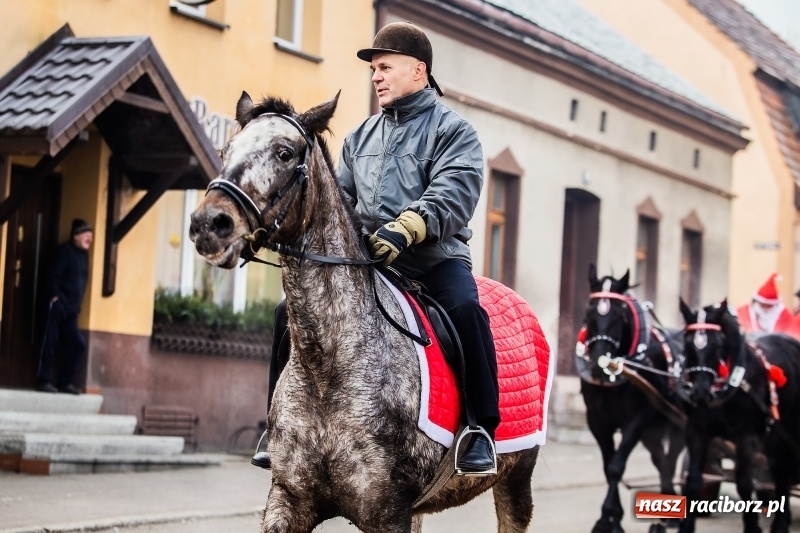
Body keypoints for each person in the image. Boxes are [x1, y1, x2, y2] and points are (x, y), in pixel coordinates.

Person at [252, 21, 500, 474]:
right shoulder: (360, 137)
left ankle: (481, 429)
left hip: (433, 261)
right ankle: (277, 425)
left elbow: (454, 192)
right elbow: (339, 203)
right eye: (373, 69)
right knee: (287, 310)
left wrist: (405, 228)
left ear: (418, 71)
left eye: (385, 67)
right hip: (368, 263)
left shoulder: (454, 132)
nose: (376, 76)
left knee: (466, 309)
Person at [36, 218, 93, 395]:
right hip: (57, 306)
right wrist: (56, 298)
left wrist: (76, 306)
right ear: (75, 236)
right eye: (86, 234)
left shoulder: (84, 256)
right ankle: (43, 380)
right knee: (49, 341)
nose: (89, 238)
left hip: (71, 310)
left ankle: (64, 382)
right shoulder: (64, 252)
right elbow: (51, 276)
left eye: (90, 235)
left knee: (77, 344)